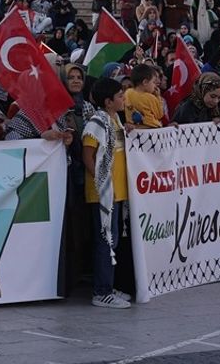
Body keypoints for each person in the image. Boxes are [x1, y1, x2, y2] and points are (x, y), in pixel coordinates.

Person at [82, 76, 132, 310]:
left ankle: (108, 286)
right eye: (120, 96)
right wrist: (103, 184)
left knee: (112, 241)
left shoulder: (115, 120)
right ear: (108, 101)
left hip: (117, 192)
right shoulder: (96, 123)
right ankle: (101, 291)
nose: (124, 99)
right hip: (103, 194)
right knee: (105, 241)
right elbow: (87, 157)